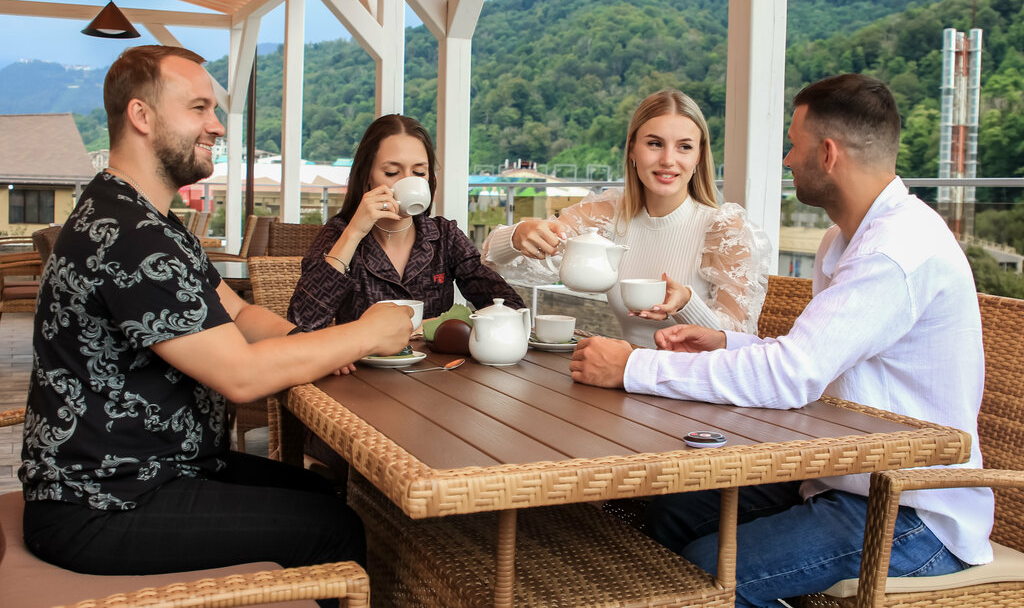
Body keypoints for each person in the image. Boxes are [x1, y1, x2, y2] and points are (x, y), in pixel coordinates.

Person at [569, 74, 993, 606]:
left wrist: (632, 367)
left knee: (709, 569)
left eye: (793, 145)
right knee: (675, 508)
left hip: (907, 509)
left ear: (829, 153)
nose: (788, 160)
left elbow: (794, 374)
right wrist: (727, 343)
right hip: (838, 476)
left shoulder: (894, 253)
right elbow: (815, 357)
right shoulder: (844, 239)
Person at [19, 46, 414, 583]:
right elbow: (241, 377)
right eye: (200, 108)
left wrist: (314, 342)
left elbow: (240, 312)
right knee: (332, 526)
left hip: (157, 469)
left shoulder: (147, 219)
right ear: (142, 116)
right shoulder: (131, 237)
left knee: (324, 491)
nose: (218, 126)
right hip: (104, 501)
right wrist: (366, 333)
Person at [481, 89, 770, 348]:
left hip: (693, 391)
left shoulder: (723, 229)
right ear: (632, 148)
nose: (668, 160)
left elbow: (739, 343)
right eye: (655, 144)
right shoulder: (607, 214)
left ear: (699, 156)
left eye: (684, 146)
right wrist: (519, 235)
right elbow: (493, 259)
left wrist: (686, 303)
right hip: (623, 380)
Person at [288, 113, 525, 329]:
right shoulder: (339, 234)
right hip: (362, 373)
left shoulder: (444, 236)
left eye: (419, 173)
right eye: (392, 172)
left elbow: (510, 307)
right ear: (367, 177)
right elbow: (302, 322)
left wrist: (447, 323)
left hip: (436, 373)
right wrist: (354, 233)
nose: (408, 181)